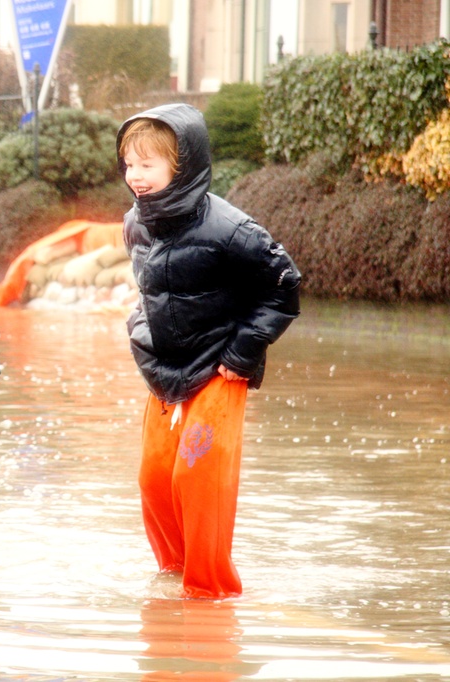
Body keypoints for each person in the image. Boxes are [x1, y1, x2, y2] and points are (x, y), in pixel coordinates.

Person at [116, 103, 301, 599]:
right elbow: (150, 288)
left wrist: (242, 354)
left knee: (197, 475)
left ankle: (211, 592)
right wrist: (139, 326)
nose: (135, 175)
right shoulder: (135, 224)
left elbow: (283, 288)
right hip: (164, 370)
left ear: (183, 165)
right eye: (129, 164)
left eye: (147, 165)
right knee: (155, 478)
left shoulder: (231, 228)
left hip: (221, 367)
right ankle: (175, 578)